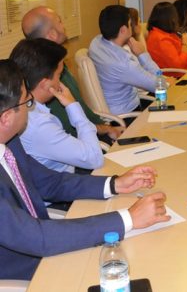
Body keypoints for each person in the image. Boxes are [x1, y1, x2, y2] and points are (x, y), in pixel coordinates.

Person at [0, 59, 169, 280]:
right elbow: (36, 238)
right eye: (27, 102)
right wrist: (128, 218)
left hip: (46, 243)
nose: (30, 108)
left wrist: (114, 184)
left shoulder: (9, 142)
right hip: (25, 270)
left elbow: (49, 182)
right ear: (6, 118)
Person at [21, 6, 123, 143]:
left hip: (95, 130)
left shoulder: (54, 66)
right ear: (52, 34)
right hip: (88, 141)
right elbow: (70, 129)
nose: (64, 26)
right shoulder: (48, 81)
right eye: (60, 21)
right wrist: (107, 129)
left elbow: (80, 109)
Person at [11, 39, 103, 173]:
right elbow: (95, 159)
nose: (60, 82)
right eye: (59, 75)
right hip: (68, 181)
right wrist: (73, 106)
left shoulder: (21, 109)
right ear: (45, 84)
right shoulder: (39, 125)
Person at [89, 5, 160, 114]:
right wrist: (143, 54)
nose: (132, 27)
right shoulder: (124, 64)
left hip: (111, 111)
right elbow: (160, 85)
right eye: (130, 24)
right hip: (129, 115)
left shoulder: (96, 42)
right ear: (123, 30)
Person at [146, 1, 187, 71]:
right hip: (184, 73)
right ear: (170, 19)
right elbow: (178, 65)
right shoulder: (161, 39)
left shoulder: (166, 33)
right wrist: (185, 45)